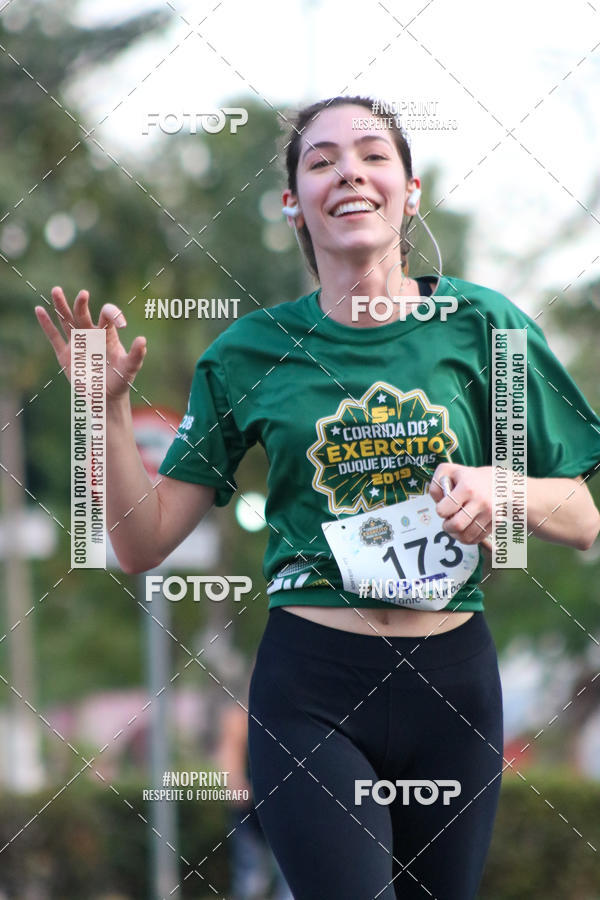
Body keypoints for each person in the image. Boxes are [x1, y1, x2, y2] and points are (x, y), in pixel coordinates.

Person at [36, 94, 600, 899]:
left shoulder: (485, 327)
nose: (349, 173)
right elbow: (141, 541)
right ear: (293, 203)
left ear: (410, 190)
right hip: (312, 690)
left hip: (456, 685)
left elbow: (582, 518)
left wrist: (499, 489)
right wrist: (106, 415)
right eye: (322, 160)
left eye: (373, 155)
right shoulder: (250, 353)